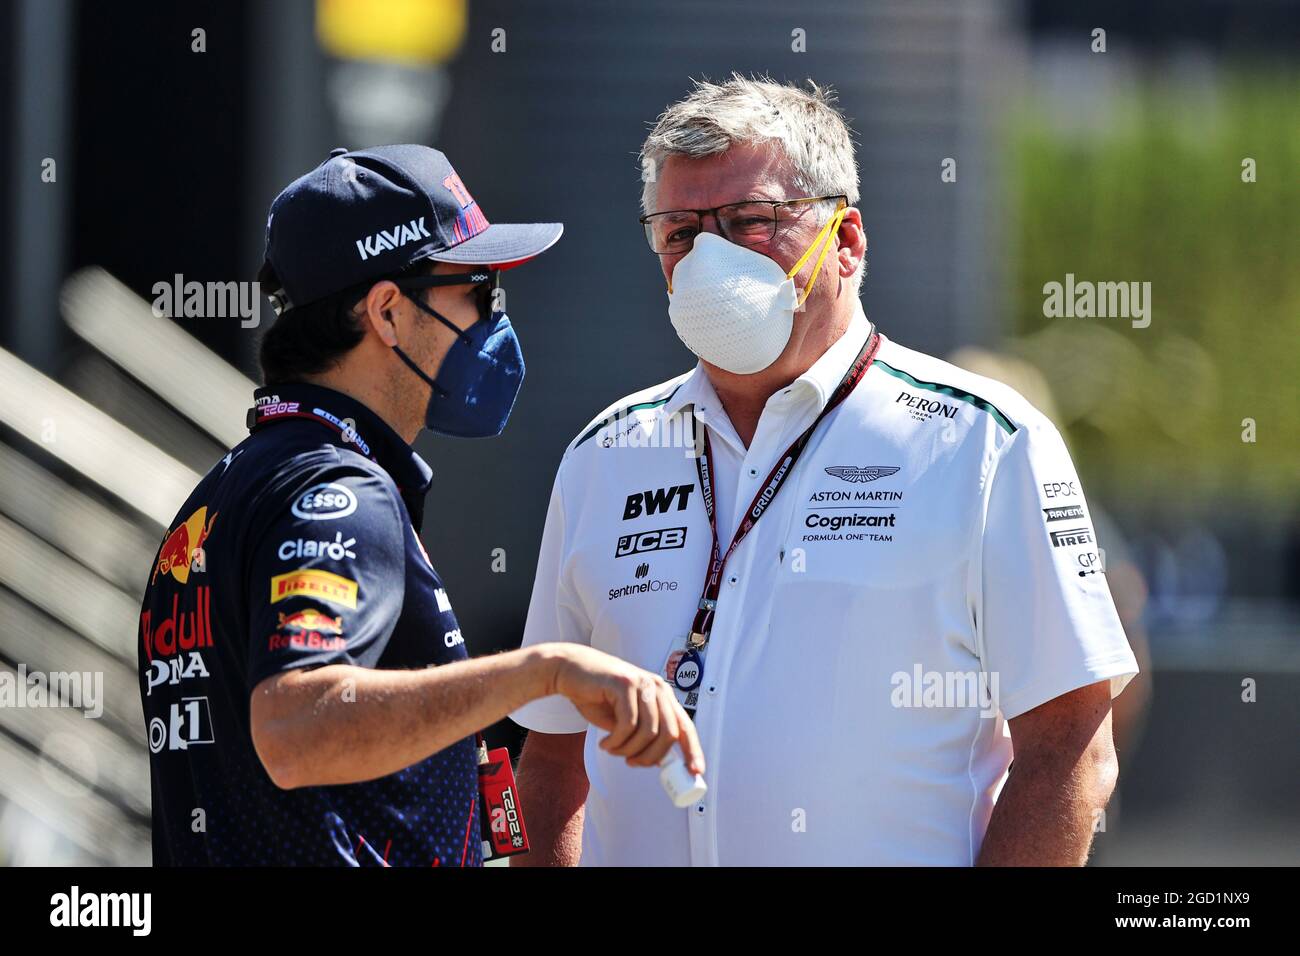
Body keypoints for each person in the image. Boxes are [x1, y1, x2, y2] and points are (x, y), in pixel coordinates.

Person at [510, 77, 1138, 866]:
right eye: (680, 233)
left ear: (845, 241)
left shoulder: (985, 443)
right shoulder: (603, 455)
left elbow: (1071, 749)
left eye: (750, 222)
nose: (710, 258)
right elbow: (552, 757)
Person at [137, 144, 702, 866]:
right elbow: (295, 730)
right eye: (479, 289)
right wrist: (545, 672)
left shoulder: (224, 494)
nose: (495, 319)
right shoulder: (337, 491)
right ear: (388, 313)